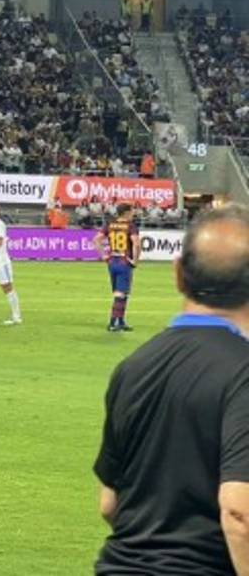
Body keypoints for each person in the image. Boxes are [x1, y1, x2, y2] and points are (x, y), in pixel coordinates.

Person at [93, 205, 249, 575]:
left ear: (178, 274)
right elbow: (239, 511)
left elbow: (110, 504)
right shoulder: (243, 370)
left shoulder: (133, 367)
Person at [96, 204, 141, 332]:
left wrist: (104, 255)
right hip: (124, 262)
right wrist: (135, 260)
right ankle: (112, 322)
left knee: (121, 292)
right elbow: (136, 244)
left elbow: (96, 240)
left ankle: (120, 321)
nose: (133, 214)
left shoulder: (110, 224)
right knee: (121, 294)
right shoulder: (130, 226)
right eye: (132, 211)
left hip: (112, 262)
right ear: (126, 212)